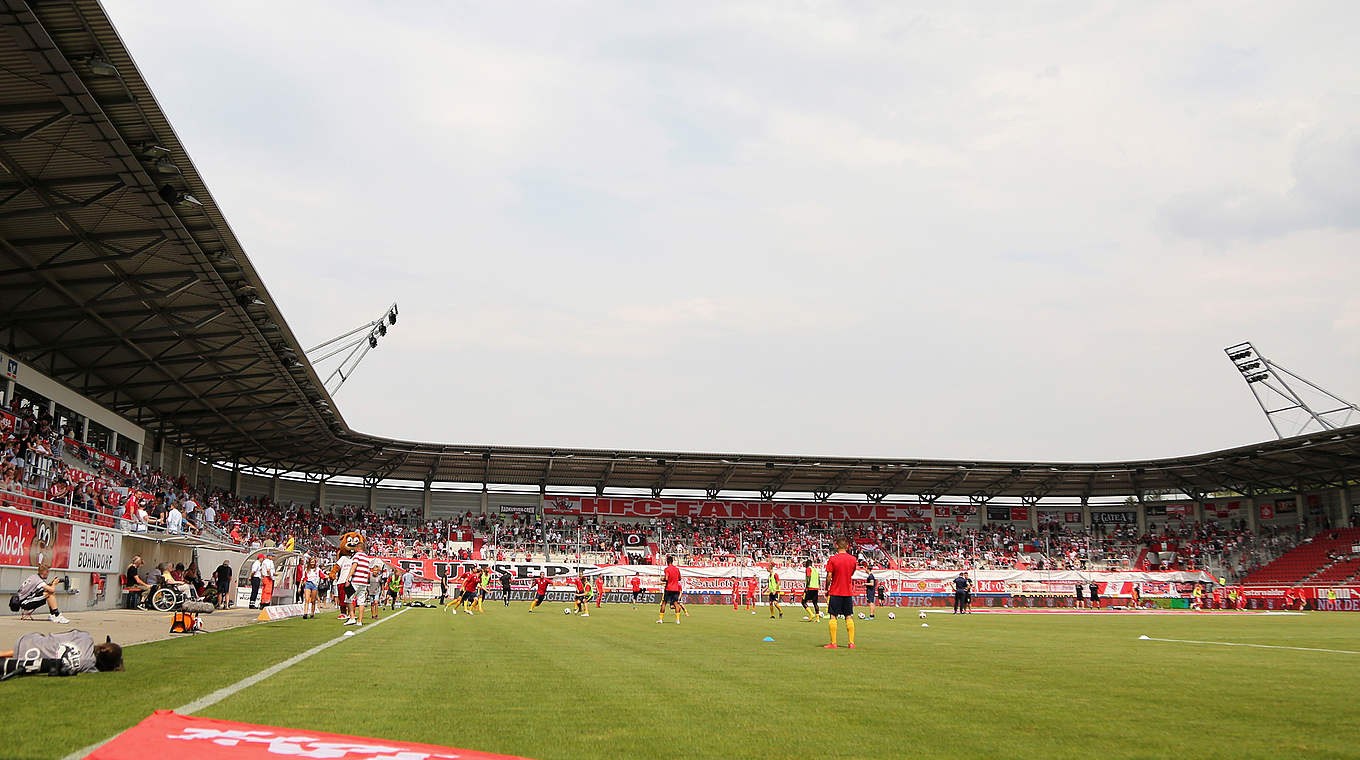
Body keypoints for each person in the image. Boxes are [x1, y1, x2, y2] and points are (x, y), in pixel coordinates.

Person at [0, 631, 122, 680]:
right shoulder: (89, 666)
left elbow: (55, 637)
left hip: (29, 643)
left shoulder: (86, 637)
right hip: (32, 661)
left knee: (46, 643)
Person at [824, 537, 858, 649]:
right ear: (847, 546)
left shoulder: (833, 559)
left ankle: (834, 643)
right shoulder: (853, 560)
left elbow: (829, 576)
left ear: (836, 545)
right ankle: (851, 642)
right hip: (847, 592)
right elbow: (851, 573)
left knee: (833, 616)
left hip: (835, 591)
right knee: (848, 616)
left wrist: (826, 588)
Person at [343, 544, 371, 627]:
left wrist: (348, 578)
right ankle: (359, 621)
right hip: (364, 582)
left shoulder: (357, 556)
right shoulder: (367, 558)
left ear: (358, 548)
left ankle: (352, 618)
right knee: (361, 601)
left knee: (349, 598)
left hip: (356, 581)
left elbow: (354, 567)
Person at [657, 555, 682, 624]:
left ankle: (661, 619)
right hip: (676, 588)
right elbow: (680, 578)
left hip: (668, 588)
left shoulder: (667, 569)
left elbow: (667, 578)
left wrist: (663, 579)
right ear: (673, 561)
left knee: (664, 603)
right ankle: (677, 620)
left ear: (667, 561)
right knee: (676, 604)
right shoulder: (677, 569)